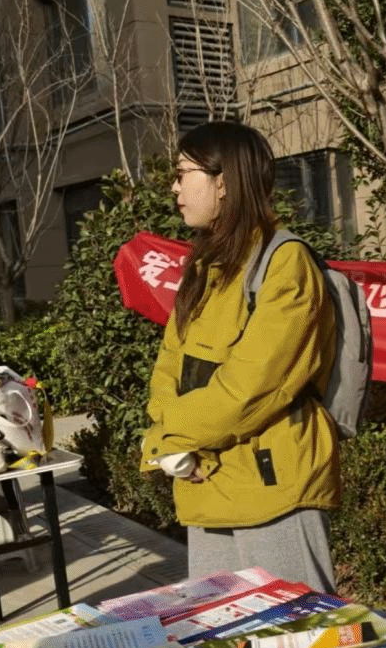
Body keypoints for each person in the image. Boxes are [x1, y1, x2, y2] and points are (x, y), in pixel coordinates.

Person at [140, 121, 339, 593]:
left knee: (297, 628)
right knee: (220, 627)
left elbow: (253, 386)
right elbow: (170, 366)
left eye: (183, 173)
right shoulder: (204, 264)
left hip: (273, 489)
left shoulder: (285, 262)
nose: (175, 188)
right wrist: (174, 447)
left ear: (224, 182)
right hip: (202, 478)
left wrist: (168, 438)